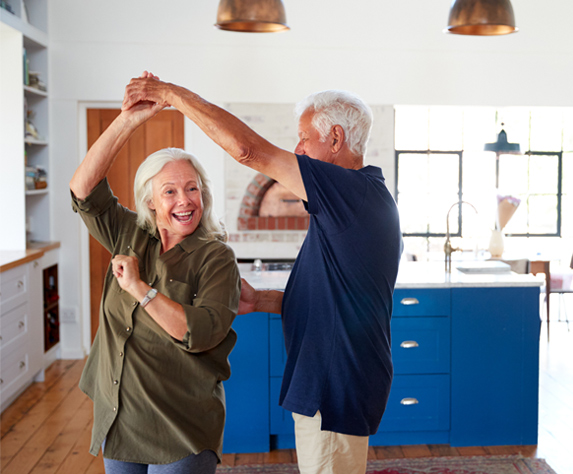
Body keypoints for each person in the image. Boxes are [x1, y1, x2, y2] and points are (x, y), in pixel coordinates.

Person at [123, 75, 403, 474]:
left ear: (336, 139)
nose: (298, 148)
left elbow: (247, 150)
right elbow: (342, 296)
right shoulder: (359, 198)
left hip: (335, 385)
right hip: (336, 379)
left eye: (305, 137)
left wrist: (171, 95)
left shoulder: (349, 191)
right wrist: (265, 301)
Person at [70, 76, 240, 474]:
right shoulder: (129, 233)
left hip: (180, 423)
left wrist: (140, 289)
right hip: (120, 413)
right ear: (150, 199)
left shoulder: (216, 258)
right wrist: (128, 120)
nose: (185, 200)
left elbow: (199, 333)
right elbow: (83, 190)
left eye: (193, 189)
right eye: (170, 191)